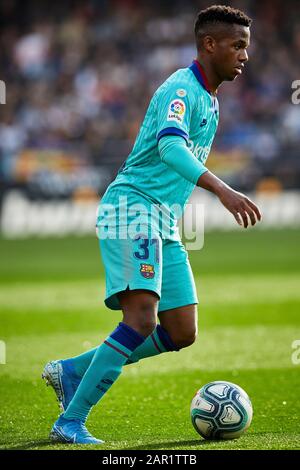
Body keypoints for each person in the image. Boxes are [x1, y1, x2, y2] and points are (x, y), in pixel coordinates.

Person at [43, 5, 261, 444]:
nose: (245, 55)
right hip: (132, 209)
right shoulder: (181, 89)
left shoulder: (211, 100)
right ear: (209, 44)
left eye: (247, 47)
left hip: (163, 221)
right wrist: (223, 190)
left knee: (181, 329)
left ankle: (70, 372)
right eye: (237, 45)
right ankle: (70, 422)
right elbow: (169, 149)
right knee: (141, 319)